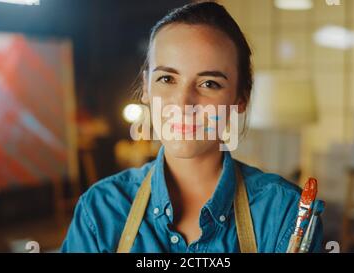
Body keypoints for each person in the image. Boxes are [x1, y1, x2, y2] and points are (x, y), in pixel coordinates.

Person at [61, 1, 323, 253]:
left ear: (240, 97)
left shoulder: (284, 213)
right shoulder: (100, 210)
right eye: (166, 78)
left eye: (209, 83)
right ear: (146, 87)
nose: (183, 103)